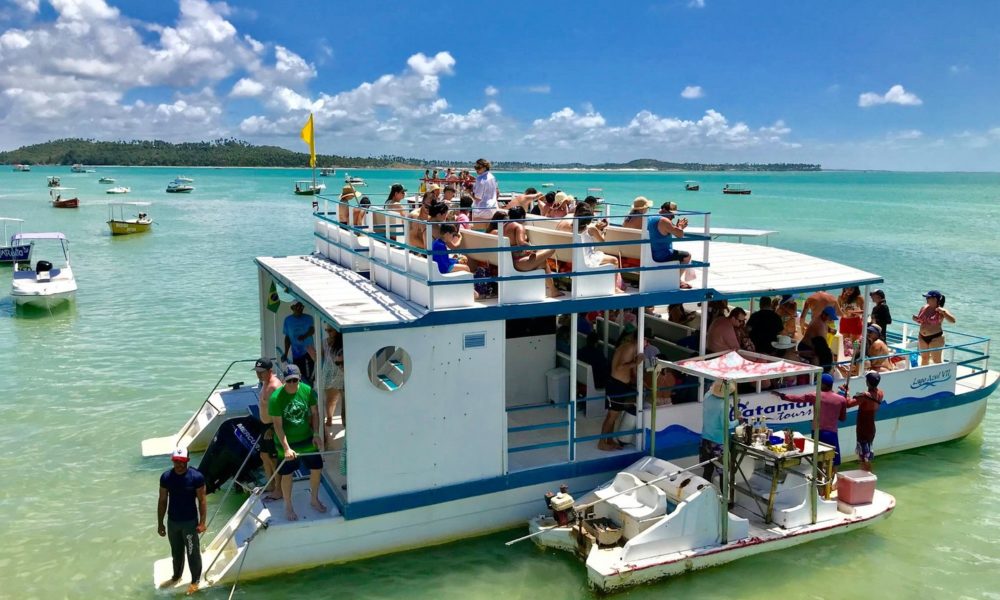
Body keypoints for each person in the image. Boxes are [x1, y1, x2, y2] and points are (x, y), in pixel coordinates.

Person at [269, 364, 327, 521]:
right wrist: (286, 448)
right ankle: (288, 505)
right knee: (287, 473)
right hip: (285, 441)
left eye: (295, 380)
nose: (292, 384)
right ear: (283, 381)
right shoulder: (276, 398)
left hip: (306, 438)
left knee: (317, 467)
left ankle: (314, 499)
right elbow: (278, 426)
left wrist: (316, 433)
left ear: (299, 379)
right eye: (289, 381)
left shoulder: (307, 391)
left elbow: (315, 413)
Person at [772, 373, 848, 471]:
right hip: (832, 433)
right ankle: (829, 482)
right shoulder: (841, 399)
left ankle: (819, 480)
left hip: (818, 432)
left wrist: (782, 396)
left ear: (823, 384)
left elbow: (797, 399)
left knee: (818, 460)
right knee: (835, 461)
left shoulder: (815, 395)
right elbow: (842, 418)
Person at [157, 448, 207, 595]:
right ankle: (176, 576)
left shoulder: (196, 477)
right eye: (176, 461)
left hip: (189, 523)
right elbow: (162, 501)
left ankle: (195, 581)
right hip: (173, 522)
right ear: (173, 460)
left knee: (192, 552)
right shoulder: (166, 477)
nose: (179, 465)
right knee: (176, 552)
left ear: (187, 461)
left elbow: (202, 500)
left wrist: (202, 522)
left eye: (182, 462)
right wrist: (160, 523)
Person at [598, 327, 644, 451]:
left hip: (619, 385)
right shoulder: (630, 348)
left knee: (614, 415)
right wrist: (636, 363)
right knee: (611, 416)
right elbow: (619, 368)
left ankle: (609, 439)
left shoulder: (628, 346)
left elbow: (628, 369)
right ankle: (602, 443)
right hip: (616, 386)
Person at [503, 206, 561, 297]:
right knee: (551, 249)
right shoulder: (519, 226)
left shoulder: (504, 226)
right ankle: (553, 291)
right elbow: (521, 243)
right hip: (519, 262)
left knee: (543, 264)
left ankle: (553, 290)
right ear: (522, 217)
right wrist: (533, 248)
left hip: (508, 262)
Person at [253, 358, 283, 501]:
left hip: (272, 427)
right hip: (263, 425)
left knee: (273, 459)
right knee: (263, 456)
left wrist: (272, 428)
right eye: (257, 372)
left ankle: (279, 489)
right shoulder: (265, 383)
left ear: (270, 371)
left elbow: (283, 410)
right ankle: (270, 485)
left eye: (261, 372)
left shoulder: (275, 387)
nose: (259, 375)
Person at [700, 379, 741, 483]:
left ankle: (705, 492)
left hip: (705, 438)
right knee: (723, 470)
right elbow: (726, 425)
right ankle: (724, 496)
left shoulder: (707, 396)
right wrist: (737, 421)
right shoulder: (723, 405)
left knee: (707, 469)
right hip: (718, 441)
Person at [646, 201, 693, 288]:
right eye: (671, 214)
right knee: (687, 256)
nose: (673, 216)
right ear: (664, 210)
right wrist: (681, 227)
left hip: (649, 253)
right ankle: (677, 281)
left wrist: (676, 227)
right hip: (662, 255)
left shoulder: (649, 218)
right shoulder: (664, 220)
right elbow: (680, 235)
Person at [847, 371, 884, 471]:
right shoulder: (880, 393)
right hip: (871, 429)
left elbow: (848, 404)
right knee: (867, 456)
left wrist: (846, 393)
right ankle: (867, 475)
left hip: (863, 429)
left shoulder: (864, 396)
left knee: (864, 458)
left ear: (867, 382)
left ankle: (867, 477)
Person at [913, 290, 956, 365]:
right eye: (926, 297)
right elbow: (921, 321)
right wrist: (916, 319)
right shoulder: (924, 308)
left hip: (936, 338)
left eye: (928, 298)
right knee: (924, 358)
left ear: (935, 299)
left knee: (936, 361)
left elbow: (953, 321)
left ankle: (939, 376)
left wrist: (944, 313)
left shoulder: (941, 310)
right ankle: (923, 375)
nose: (926, 299)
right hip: (922, 337)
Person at [283, 301, 315, 384]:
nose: (299, 308)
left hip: (309, 352)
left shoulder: (309, 318)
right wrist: (285, 354)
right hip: (296, 354)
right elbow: (287, 337)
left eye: (301, 307)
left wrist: (305, 336)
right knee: (299, 375)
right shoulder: (288, 320)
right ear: (292, 308)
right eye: (297, 306)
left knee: (310, 377)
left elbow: (312, 330)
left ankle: (309, 393)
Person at [319, 326, 345, 427]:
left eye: (330, 330)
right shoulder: (324, 342)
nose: (327, 333)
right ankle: (329, 418)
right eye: (326, 330)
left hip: (342, 373)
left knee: (344, 401)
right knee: (331, 399)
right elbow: (319, 358)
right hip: (329, 373)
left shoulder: (344, 341)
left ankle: (344, 423)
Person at [471, 158, 499, 223]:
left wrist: (469, 191)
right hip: (493, 208)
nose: (476, 169)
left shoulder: (480, 179)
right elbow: (497, 192)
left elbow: (477, 197)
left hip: (482, 210)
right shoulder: (492, 177)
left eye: (478, 167)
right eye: (475, 167)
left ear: (484, 167)